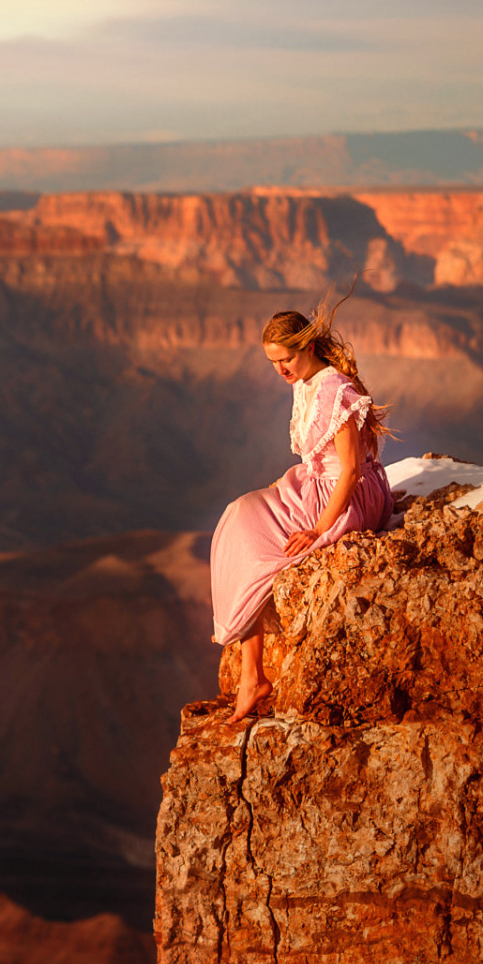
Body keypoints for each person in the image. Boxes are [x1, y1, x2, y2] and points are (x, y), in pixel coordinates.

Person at [211, 304, 393, 726]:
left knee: (252, 538)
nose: (280, 370)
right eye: (273, 362)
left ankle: (251, 677)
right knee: (238, 515)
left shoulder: (336, 391)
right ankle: (252, 674)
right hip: (318, 483)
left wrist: (318, 529)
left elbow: (349, 471)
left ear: (308, 347)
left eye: (286, 359)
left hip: (349, 495)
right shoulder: (305, 382)